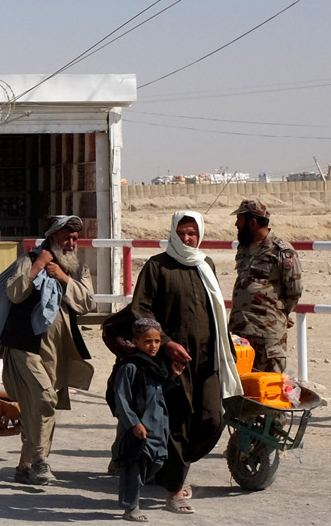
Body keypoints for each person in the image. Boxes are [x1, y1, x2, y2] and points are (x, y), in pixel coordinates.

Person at [127, 211, 243, 515]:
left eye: (192, 233)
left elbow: (215, 310)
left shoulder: (206, 264)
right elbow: (141, 310)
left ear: (200, 235)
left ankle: (166, 467)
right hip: (171, 362)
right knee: (177, 421)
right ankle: (174, 490)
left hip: (207, 358)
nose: (187, 238)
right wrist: (166, 343)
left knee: (212, 419)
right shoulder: (157, 266)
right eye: (181, 233)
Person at [0, 214, 96, 486]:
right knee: (45, 398)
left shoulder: (77, 269)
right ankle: (40, 461)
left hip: (57, 350)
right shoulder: (29, 260)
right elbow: (14, 293)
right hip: (24, 346)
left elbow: (88, 303)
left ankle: (25, 465)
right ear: (53, 236)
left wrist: (63, 278)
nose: (71, 243)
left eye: (75, 238)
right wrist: (39, 266)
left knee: (39, 406)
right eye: (67, 237)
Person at [109, 318, 182, 523]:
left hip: (157, 425)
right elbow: (121, 399)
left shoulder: (156, 365)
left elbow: (155, 392)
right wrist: (134, 423)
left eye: (157, 341)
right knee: (134, 466)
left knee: (157, 461)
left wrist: (173, 377)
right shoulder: (130, 367)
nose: (153, 346)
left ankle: (131, 494)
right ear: (136, 342)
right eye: (148, 341)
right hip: (138, 427)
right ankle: (131, 507)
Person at [228, 200, 303, 374]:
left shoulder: (281, 251)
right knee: (241, 382)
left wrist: (281, 314)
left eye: (240, 219)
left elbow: (294, 290)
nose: (236, 224)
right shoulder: (243, 248)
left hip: (267, 333)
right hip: (240, 330)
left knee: (269, 382)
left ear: (252, 222)